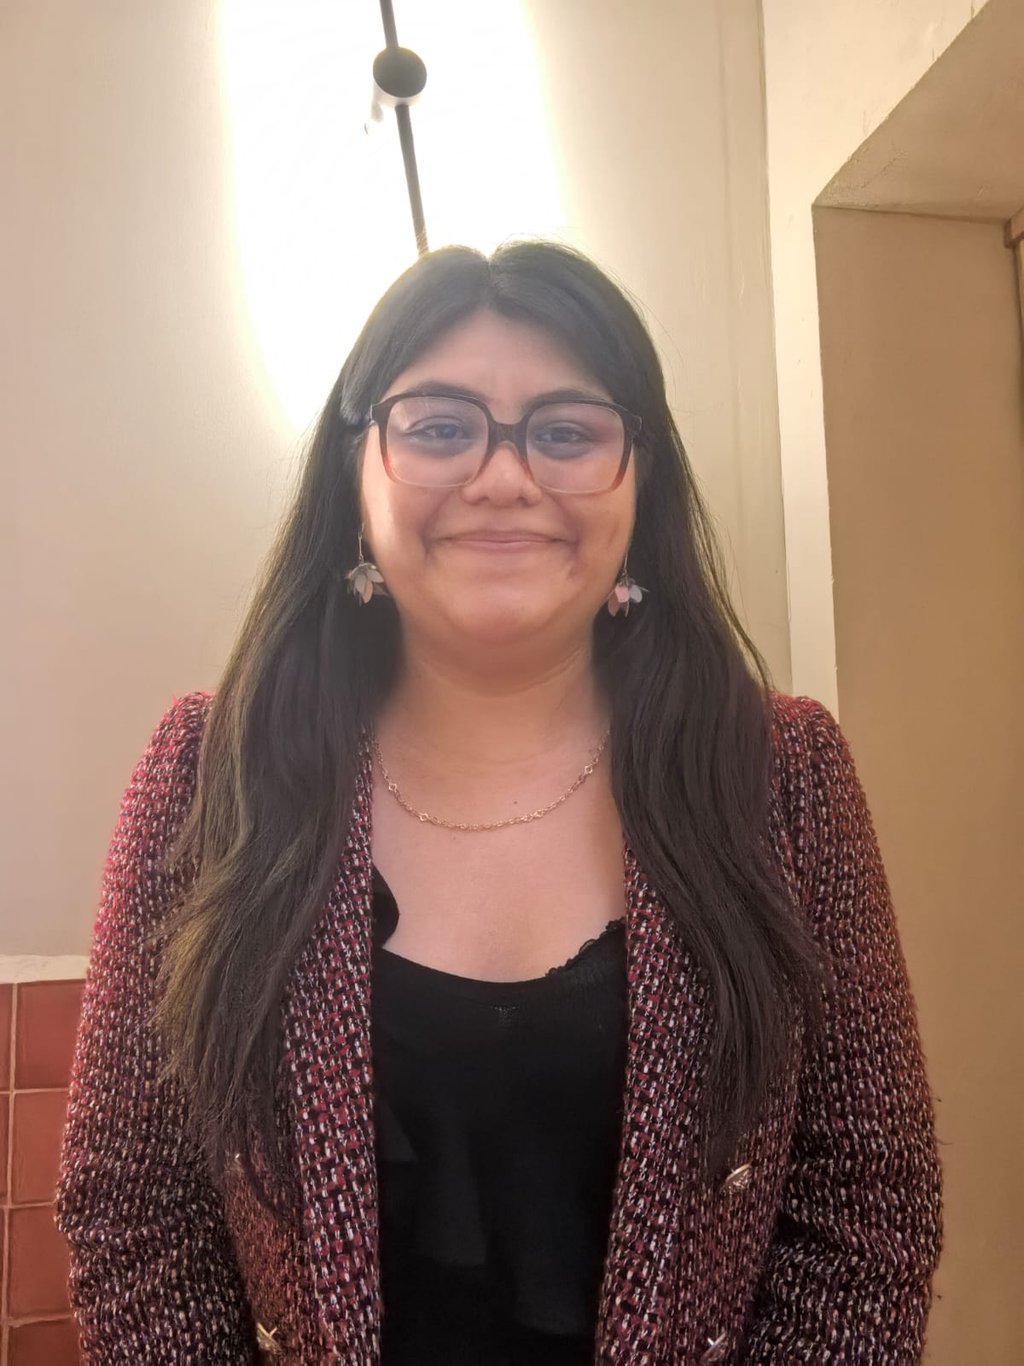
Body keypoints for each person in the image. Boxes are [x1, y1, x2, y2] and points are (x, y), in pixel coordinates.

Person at [55, 241, 942, 1364]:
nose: (504, 477)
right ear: (355, 474)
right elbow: (134, 1211)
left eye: (567, 432)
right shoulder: (208, 771)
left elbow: (866, 1209)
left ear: (642, 484)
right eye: (439, 426)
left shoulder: (783, 775)